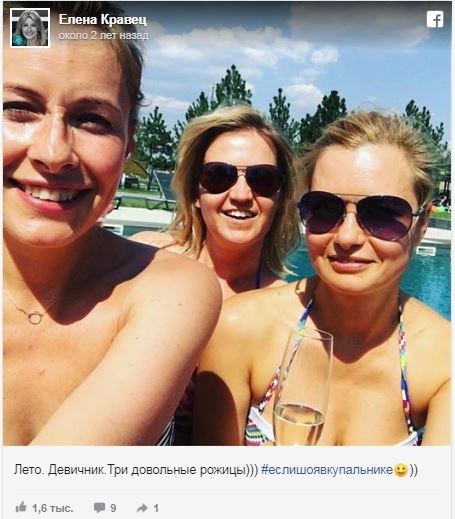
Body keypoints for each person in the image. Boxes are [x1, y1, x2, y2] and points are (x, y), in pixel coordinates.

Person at [3, 2, 222, 446]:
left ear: (128, 144)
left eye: (92, 119)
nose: (53, 152)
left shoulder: (171, 290)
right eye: (19, 109)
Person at [193, 111, 450, 446]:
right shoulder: (239, 328)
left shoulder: (443, 359)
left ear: (422, 224)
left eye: (383, 214)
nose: (347, 237)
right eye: (325, 209)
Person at [131, 105, 301, 299]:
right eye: (218, 175)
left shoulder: (283, 306)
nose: (241, 195)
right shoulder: (142, 260)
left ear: (281, 198)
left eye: (263, 178)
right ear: (194, 192)